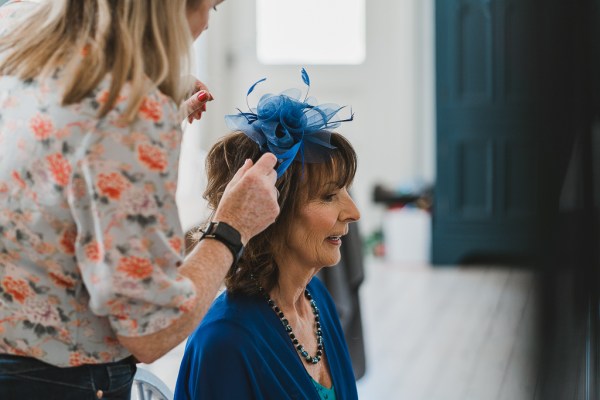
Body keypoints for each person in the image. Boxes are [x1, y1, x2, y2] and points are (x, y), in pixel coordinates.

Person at [0, 0, 279, 399]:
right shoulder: (128, 108)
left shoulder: (18, 20)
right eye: (212, 9)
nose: (205, 27)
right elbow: (150, 332)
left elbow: (67, 152)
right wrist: (233, 225)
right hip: (52, 381)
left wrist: (147, 118)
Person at [174, 69, 361, 399]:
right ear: (271, 210)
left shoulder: (317, 301)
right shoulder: (225, 341)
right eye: (329, 196)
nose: (353, 213)